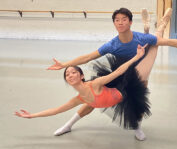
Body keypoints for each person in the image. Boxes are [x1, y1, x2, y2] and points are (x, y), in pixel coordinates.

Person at [47, 7, 177, 140]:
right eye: (117, 20)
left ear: (130, 22)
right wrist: (64, 65)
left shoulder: (140, 39)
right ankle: (69, 125)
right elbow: (88, 57)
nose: (120, 23)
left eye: (124, 19)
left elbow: (170, 42)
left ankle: (137, 126)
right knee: (91, 98)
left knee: (138, 97)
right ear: (114, 24)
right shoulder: (112, 44)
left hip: (142, 63)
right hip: (120, 70)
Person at [15, 44, 151, 130]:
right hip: (104, 99)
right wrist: (32, 115)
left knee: (141, 93)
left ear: (81, 76)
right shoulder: (78, 99)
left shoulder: (95, 84)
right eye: (67, 74)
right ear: (67, 80)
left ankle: (152, 34)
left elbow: (118, 72)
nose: (70, 75)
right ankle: (68, 126)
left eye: (74, 72)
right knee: (88, 104)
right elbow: (56, 110)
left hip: (125, 89)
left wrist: (136, 57)